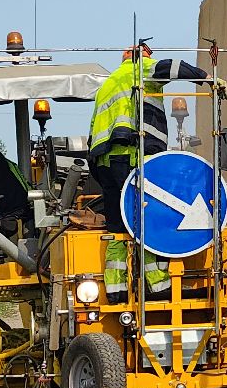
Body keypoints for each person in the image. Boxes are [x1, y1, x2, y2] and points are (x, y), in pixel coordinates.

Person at [88, 43, 209, 300]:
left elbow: (93, 133)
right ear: (143, 55)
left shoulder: (108, 83)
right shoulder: (139, 69)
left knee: (118, 227)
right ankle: (158, 286)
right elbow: (170, 67)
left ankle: (116, 290)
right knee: (149, 218)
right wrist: (205, 77)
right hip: (131, 157)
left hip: (106, 163)